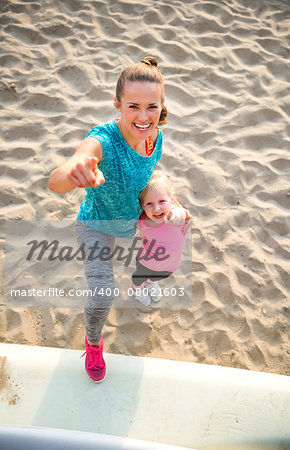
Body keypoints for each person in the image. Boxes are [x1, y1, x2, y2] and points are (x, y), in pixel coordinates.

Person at [48, 56, 169, 383]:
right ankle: (93, 343)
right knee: (102, 295)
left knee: (166, 240)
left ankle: (140, 281)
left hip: (132, 216)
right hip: (97, 224)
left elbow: (146, 176)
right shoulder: (103, 139)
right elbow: (57, 179)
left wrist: (156, 202)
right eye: (133, 106)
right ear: (117, 104)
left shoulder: (155, 137)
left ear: (161, 106)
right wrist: (74, 171)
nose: (143, 117)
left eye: (151, 107)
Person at [131, 170, 190, 306]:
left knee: (159, 276)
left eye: (162, 201)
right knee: (139, 277)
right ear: (142, 207)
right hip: (147, 262)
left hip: (171, 263)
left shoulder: (176, 214)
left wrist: (176, 215)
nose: (156, 208)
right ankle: (137, 288)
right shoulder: (144, 221)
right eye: (149, 204)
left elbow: (182, 214)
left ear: (172, 200)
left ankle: (150, 283)